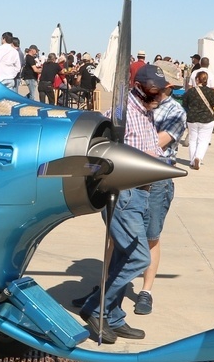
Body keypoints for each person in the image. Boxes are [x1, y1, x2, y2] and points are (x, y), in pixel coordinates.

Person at [73, 64, 172, 344]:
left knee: (121, 256)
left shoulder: (145, 111)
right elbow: (99, 148)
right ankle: (97, 308)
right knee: (138, 257)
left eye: (161, 91)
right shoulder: (121, 114)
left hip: (141, 193)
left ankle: (113, 316)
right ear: (139, 87)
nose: (159, 96)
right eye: (154, 90)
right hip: (125, 194)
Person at [133, 62, 186, 316]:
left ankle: (146, 291)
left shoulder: (175, 112)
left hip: (157, 178)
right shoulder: (135, 103)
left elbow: (155, 144)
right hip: (129, 176)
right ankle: (107, 286)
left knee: (151, 236)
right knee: (116, 234)